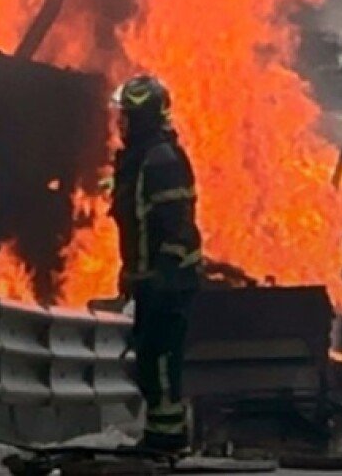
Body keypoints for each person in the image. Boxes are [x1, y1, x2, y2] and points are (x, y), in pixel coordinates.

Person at [108, 74, 202, 455]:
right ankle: (162, 436)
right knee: (151, 360)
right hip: (153, 280)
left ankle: (167, 440)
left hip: (169, 281)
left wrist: (163, 275)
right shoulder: (141, 159)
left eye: (128, 115)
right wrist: (131, 274)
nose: (121, 123)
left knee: (160, 362)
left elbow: (175, 225)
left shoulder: (159, 161)